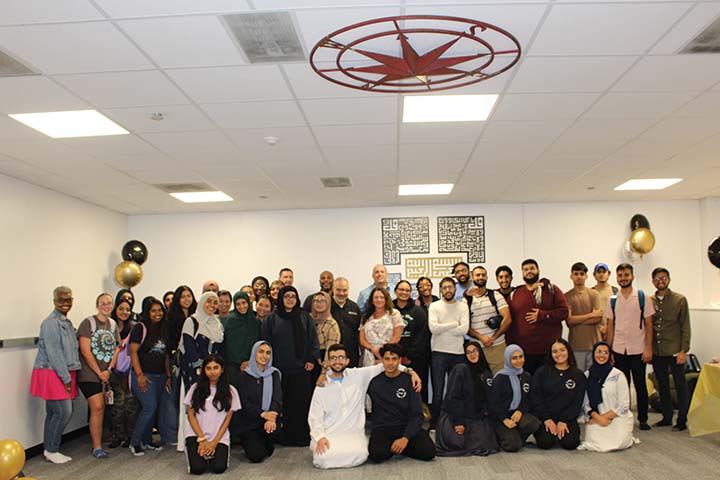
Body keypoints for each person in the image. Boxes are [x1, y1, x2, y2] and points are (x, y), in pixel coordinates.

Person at [308, 343, 421, 469]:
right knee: (323, 458)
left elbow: (387, 366)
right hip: (329, 433)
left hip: (352, 433)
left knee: (361, 455)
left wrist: (411, 372)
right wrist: (320, 437)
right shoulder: (322, 385)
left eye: (341, 357)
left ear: (347, 360)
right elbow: (314, 416)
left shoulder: (358, 376)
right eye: (333, 358)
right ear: (328, 362)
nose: (337, 361)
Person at [261, 285, 320, 446]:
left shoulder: (304, 317)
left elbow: (313, 340)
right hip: (277, 370)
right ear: (280, 298)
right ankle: (283, 437)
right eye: (286, 296)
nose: (290, 299)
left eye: (293, 296)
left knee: (300, 404)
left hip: (301, 368)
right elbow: (266, 344)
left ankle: (301, 436)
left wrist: (311, 359)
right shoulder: (271, 319)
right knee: (282, 403)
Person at [30, 286, 80, 464]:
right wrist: (66, 378)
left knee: (53, 412)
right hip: (53, 372)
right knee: (62, 412)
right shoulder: (51, 322)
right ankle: (52, 449)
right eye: (61, 300)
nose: (65, 303)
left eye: (68, 300)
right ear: (54, 301)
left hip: (62, 371)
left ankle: (50, 448)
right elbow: (55, 352)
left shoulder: (66, 322)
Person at [605, 263, 655, 430]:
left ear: (632, 276)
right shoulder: (612, 300)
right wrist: (609, 350)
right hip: (619, 349)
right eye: (620, 275)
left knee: (640, 384)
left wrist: (648, 348)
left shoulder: (642, 297)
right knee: (621, 386)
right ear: (616, 278)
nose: (623, 278)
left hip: (638, 349)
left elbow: (649, 325)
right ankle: (623, 416)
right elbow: (610, 326)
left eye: (626, 274)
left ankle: (643, 419)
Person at [367, 343, 436, 463]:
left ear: (400, 360)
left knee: (429, 452)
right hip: (383, 428)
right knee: (376, 454)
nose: (390, 363)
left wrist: (405, 438)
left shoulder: (410, 381)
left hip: (406, 425)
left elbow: (417, 414)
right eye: (387, 359)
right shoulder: (374, 383)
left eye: (394, 359)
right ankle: (401, 448)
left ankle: (400, 447)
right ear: (382, 360)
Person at [435, 341, 499, 457]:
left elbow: (489, 398)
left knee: (487, 444)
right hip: (456, 416)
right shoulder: (461, 369)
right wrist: (458, 422)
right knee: (458, 443)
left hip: (476, 415)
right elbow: (452, 398)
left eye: (474, 351)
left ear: (480, 352)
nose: (472, 355)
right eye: (468, 352)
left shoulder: (485, 372)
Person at [77, 292, 121, 458]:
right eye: (102, 303)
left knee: (102, 408)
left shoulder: (113, 324)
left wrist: (108, 370)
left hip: (105, 374)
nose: (106, 306)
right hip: (89, 374)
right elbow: (85, 350)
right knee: (97, 407)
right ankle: (96, 447)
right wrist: (99, 372)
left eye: (109, 303)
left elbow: (117, 348)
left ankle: (98, 443)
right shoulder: (88, 323)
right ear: (97, 305)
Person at [507, 259, 569, 374]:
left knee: (548, 384)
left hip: (548, 351)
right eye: (525, 269)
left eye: (532, 268)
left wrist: (542, 315)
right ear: (522, 273)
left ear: (538, 270)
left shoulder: (551, 290)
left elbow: (564, 312)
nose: (529, 271)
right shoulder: (515, 293)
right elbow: (510, 321)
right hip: (523, 352)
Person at [128, 297, 172, 456]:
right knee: (149, 407)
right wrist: (139, 375)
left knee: (153, 410)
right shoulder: (140, 328)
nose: (158, 313)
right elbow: (133, 352)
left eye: (160, 310)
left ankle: (146, 441)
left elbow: (166, 354)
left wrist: (168, 376)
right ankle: (135, 443)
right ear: (147, 312)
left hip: (160, 375)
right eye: (154, 310)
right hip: (144, 375)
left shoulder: (164, 328)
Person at [650, 267, 691, 431]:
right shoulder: (649, 300)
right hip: (657, 350)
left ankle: (682, 419)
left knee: (681, 385)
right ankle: (666, 417)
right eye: (657, 279)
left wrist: (683, 350)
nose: (661, 281)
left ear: (669, 279)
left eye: (664, 278)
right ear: (653, 281)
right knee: (662, 384)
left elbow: (685, 326)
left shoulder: (680, 299)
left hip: (675, 350)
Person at [184, 354, 240, 475]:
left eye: (216, 368)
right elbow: (190, 415)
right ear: (204, 370)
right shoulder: (195, 388)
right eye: (208, 368)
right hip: (197, 435)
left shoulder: (231, 391)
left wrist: (214, 443)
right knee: (198, 469)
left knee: (218, 468)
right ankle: (203, 456)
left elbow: (227, 420)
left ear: (222, 369)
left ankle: (211, 455)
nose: (212, 372)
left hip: (219, 437)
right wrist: (202, 440)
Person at [579, 342, 636, 452]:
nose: (602, 355)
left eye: (605, 352)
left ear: (610, 355)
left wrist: (604, 417)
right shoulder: (587, 375)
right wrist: (597, 418)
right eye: (599, 352)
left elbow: (624, 405)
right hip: (596, 417)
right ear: (593, 354)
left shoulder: (618, 375)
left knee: (619, 443)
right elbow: (586, 404)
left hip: (617, 416)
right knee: (595, 444)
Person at [531, 338, 587, 450]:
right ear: (550, 354)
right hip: (546, 418)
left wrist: (564, 420)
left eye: (562, 350)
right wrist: (547, 419)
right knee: (545, 443)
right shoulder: (542, 372)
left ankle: (561, 432)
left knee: (570, 444)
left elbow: (577, 402)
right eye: (555, 351)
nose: (559, 354)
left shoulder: (578, 375)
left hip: (567, 418)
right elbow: (536, 398)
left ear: (568, 351)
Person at [428, 277, 470, 427]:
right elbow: (433, 328)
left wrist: (443, 327)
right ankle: (435, 423)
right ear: (440, 290)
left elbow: (464, 329)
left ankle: (455, 422)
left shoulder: (463, 306)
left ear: (454, 289)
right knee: (438, 391)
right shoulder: (434, 306)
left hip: (458, 353)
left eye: (450, 287)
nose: (447, 290)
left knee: (457, 390)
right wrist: (454, 324)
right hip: (438, 352)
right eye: (444, 287)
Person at [232, 341, 282, 462]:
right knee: (256, 457)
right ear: (254, 353)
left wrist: (271, 417)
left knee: (268, 449)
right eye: (261, 352)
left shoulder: (274, 374)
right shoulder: (243, 376)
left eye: (268, 353)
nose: (264, 356)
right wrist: (263, 414)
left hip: (267, 420)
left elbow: (277, 398)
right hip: (249, 422)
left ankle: (264, 440)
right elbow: (244, 403)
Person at [489, 344, 540, 452]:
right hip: (501, 417)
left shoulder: (526, 376)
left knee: (533, 423)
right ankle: (504, 436)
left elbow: (529, 398)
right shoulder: (500, 378)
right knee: (513, 446)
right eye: (514, 358)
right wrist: (504, 419)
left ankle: (515, 436)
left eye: (521, 357)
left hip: (517, 414)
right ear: (508, 359)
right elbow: (493, 403)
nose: (518, 361)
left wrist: (520, 410)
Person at [163, 285, 197, 446]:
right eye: (183, 296)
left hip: (193, 362)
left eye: (189, 295)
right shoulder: (170, 318)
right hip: (175, 361)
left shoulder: (197, 316)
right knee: (174, 397)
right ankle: (173, 435)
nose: (186, 299)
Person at [465, 266, 512, 374]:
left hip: (497, 346)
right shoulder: (466, 300)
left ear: (486, 277)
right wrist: (481, 338)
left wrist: (493, 337)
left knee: (500, 378)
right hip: (476, 349)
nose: (480, 277)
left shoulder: (496, 295)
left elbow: (508, 319)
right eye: (477, 275)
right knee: (478, 382)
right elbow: (465, 326)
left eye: (483, 275)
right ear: (472, 278)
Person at [109, 298, 139, 449]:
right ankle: (117, 435)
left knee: (131, 405)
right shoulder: (109, 327)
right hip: (113, 372)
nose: (124, 312)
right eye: (121, 309)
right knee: (117, 406)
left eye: (127, 309)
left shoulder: (134, 328)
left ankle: (130, 436)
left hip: (130, 372)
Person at [394, 280, 431, 404]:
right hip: (393, 358)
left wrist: (408, 356)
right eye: (401, 289)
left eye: (407, 290)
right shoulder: (389, 309)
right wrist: (396, 356)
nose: (404, 292)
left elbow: (422, 336)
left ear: (410, 293)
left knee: (417, 387)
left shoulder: (418, 311)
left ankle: (419, 414)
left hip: (415, 359)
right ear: (395, 291)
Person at [179, 292, 225, 390]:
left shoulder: (217, 324)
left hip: (214, 373)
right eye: (208, 301)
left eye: (215, 302)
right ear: (202, 302)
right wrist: (204, 369)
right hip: (195, 371)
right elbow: (190, 349)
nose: (212, 305)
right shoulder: (191, 321)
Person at [565, 262, 603, 371]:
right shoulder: (566, 296)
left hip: (594, 345)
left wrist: (577, 319)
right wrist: (591, 315)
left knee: (594, 378)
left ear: (586, 276)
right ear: (571, 276)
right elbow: (569, 322)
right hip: (576, 346)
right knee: (579, 378)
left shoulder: (594, 294)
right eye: (576, 274)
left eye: (582, 274)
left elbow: (597, 319)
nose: (579, 277)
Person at [223, 291, 261, 396]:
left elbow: (258, 344)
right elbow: (229, 346)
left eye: (244, 303)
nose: (241, 306)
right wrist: (240, 363)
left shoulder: (255, 322)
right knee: (235, 396)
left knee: (250, 396)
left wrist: (250, 360)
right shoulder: (230, 321)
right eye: (238, 304)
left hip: (252, 365)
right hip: (233, 367)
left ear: (248, 303)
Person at [359, 288, 404, 366]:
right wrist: (373, 349)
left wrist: (382, 351)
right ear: (372, 300)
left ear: (386, 299)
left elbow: (397, 337)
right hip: (369, 356)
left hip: (389, 355)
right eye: (376, 297)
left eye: (382, 297)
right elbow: (362, 339)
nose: (379, 300)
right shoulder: (366, 316)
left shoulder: (394, 314)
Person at [310, 291, 341, 383]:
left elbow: (331, 351)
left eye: (322, 301)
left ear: (328, 303)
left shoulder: (332, 324)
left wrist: (323, 372)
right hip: (307, 363)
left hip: (321, 364)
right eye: (316, 301)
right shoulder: (307, 319)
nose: (318, 304)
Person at [330, 277, 362, 368]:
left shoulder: (354, 307)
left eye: (344, 290)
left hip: (351, 355)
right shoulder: (326, 306)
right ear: (333, 289)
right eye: (338, 290)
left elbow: (359, 332)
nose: (341, 293)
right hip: (331, 356)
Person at [592, 263, 617, 339]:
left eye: (604, 272)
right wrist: (600, 328)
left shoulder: (616, 291)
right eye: (599, 272)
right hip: (595, 332)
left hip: (614, 332)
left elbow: (620, 313)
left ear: (609, 274)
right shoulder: (591, 292)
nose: (601, 274)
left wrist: (608, 327)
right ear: (594, 275)